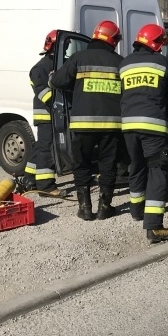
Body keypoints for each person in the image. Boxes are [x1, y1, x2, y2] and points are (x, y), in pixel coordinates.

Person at [49, 20, 123, 221]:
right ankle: (104, 207)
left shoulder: (78, 58)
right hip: (112, 126)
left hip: (83, 124)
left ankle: (85, 208)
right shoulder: (120, 62)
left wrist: (51, 77)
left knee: (82, 165)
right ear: (113, 40)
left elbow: (58, 81)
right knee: (108, 165)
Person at [119, 24, 168, 243]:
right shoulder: (161, 63)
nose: (162, 48)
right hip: (153, 125)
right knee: (158, 170)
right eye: (161, 43)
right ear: (155, 42)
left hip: (128, 126)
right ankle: (153, 227)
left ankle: (136, 210)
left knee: (137, 165)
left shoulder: (124, 64)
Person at [22, 30, 67, 198]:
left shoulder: (55, 65)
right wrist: (60, 103)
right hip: (46, 114)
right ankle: (46, 186)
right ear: (54, 46)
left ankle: (30, 179)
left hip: (52, 114)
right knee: (47, 149)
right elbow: (43, 92)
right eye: (64, 46)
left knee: (40, 147)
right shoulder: (41, 68)